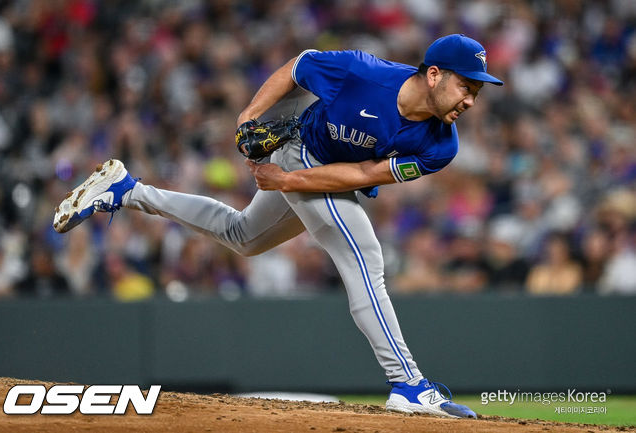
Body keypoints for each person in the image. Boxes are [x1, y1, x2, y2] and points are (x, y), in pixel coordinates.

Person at [54, 34, 503, 418]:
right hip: (301, 147)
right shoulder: (364, 74)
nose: (470, 100)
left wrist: (287, 182)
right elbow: (299, 66)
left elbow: (366, 175)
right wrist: (248, 116)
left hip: (316, 171)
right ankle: (407, 383)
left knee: (242, 237)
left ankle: (127, 190)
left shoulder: (442, 145)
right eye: (466, 85)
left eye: (477, 93)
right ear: (434, 74)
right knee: (364, 257)